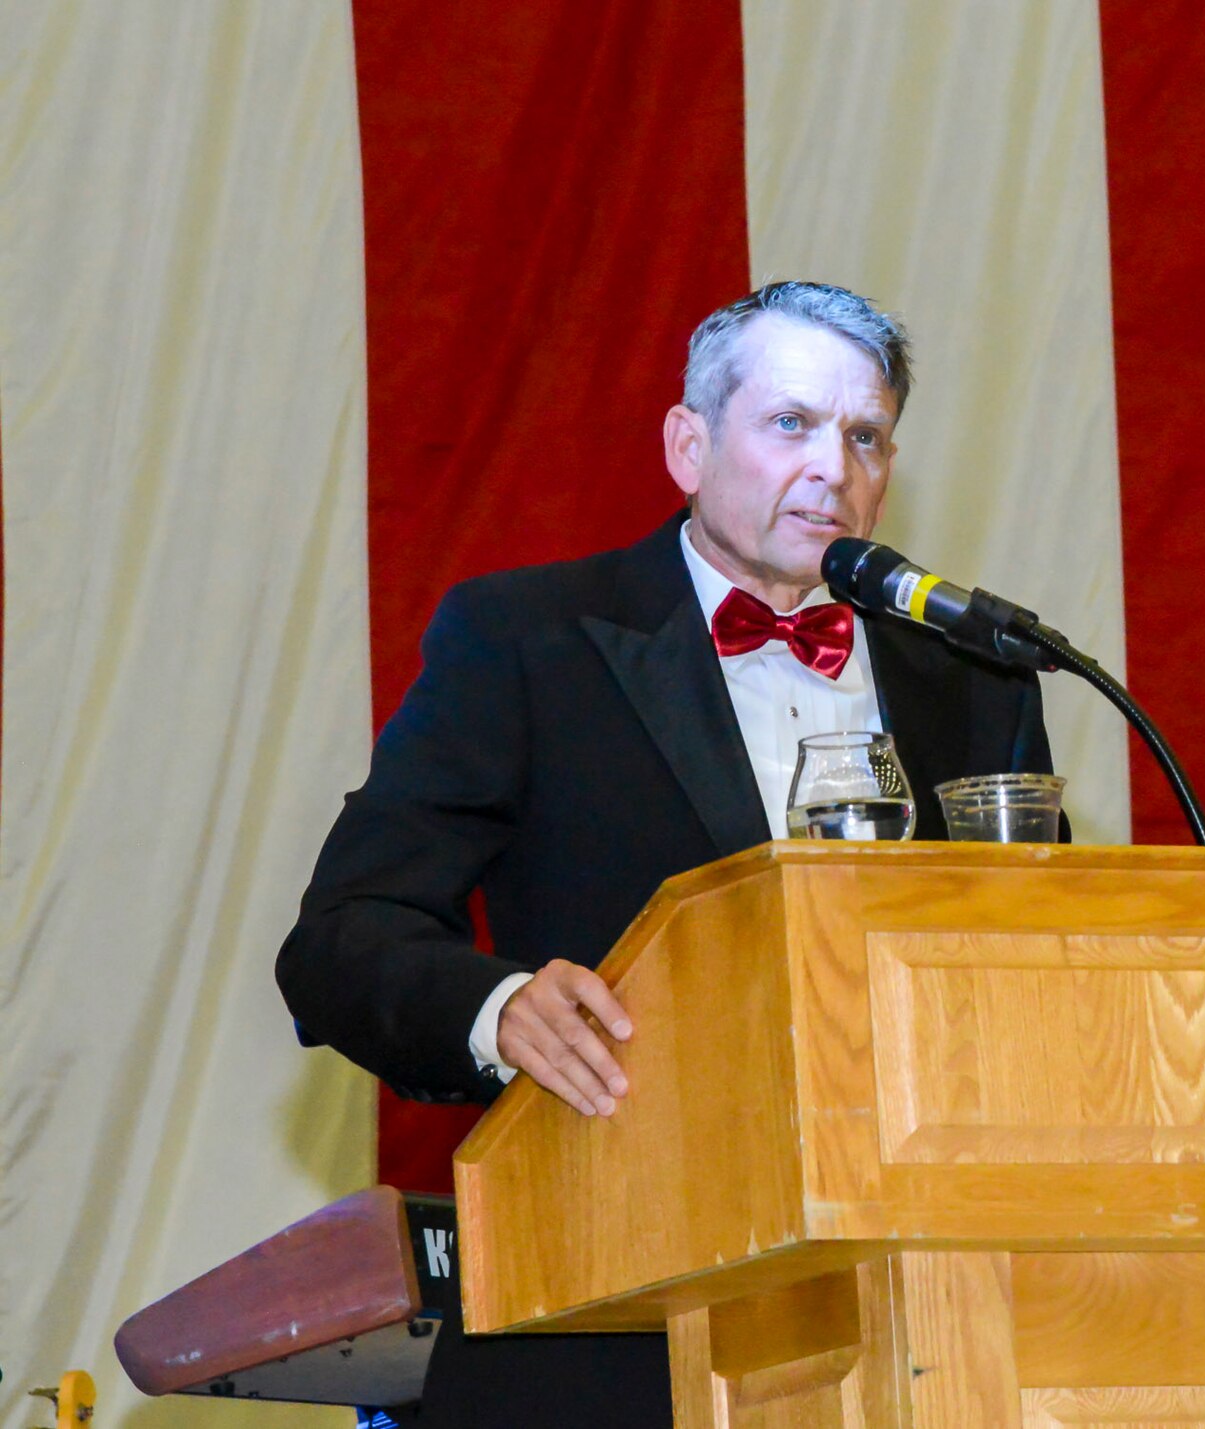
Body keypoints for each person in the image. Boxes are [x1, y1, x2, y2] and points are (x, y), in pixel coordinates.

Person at [276, 281, 1058, 1425]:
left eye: (863, 435)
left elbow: (1035, 966)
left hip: (927, 1322)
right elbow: (342, 937)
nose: (831, 467)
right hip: (620, 1302)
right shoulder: (528, 641)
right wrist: (499, 1009)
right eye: (789, 423)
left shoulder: (975, 675)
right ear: (687, 444)